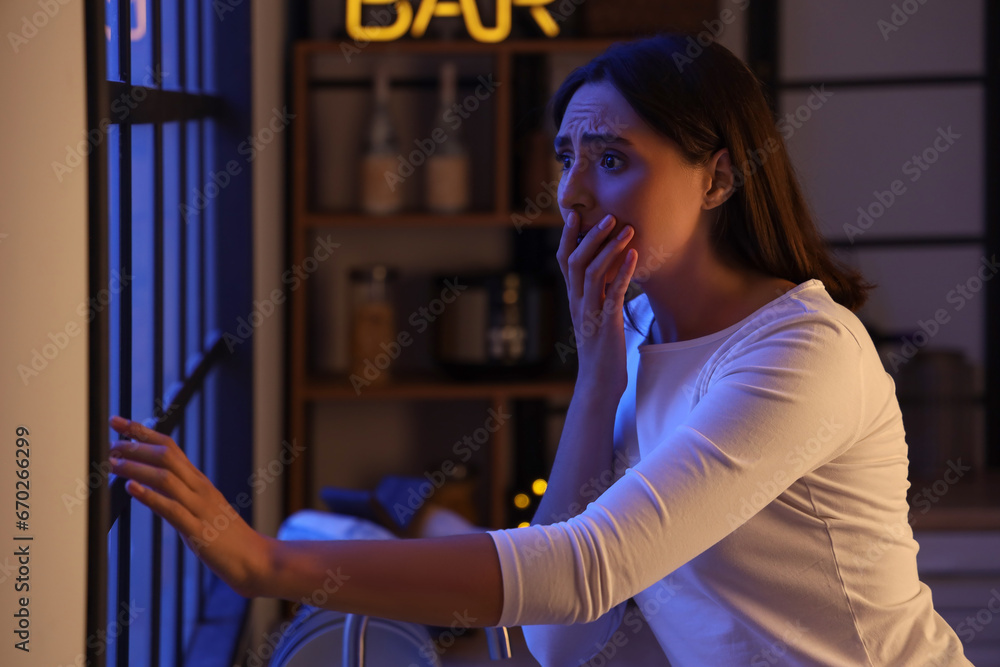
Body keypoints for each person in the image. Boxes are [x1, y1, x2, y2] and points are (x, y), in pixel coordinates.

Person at [107, 33, 972, 666]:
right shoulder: (637, 336)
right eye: (566, 156)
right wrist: (597, 373)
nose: (571, 192)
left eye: (611, 157)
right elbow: (561, 640)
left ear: (717, 177)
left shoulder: (800, 352)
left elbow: (589, 566)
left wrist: (269, 561)